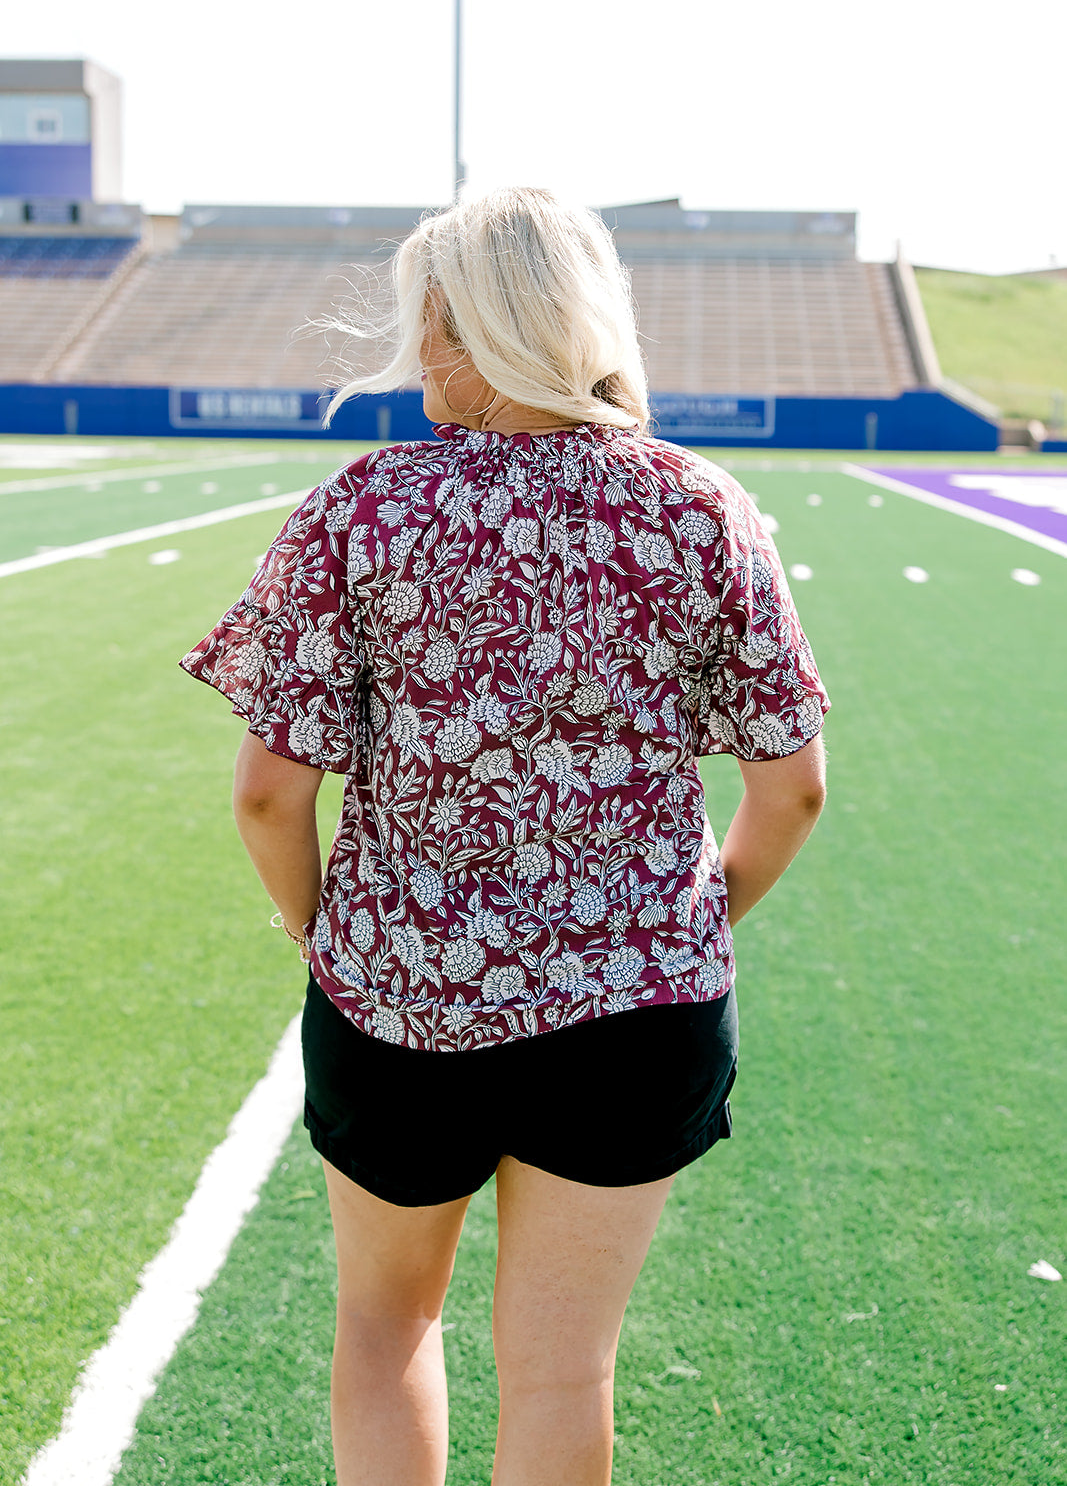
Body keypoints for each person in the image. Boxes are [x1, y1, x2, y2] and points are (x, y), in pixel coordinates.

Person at [180, 187, 828, 1486]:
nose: (419, 350)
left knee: (382, 1326)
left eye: (431, 321)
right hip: (638, 1015)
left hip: (398, 1004)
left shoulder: (360, 510)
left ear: (482, 333)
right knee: (564, 1372)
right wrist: (684, 921)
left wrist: (321, 929)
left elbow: (267, 793)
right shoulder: (701, 508)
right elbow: (793, 790)